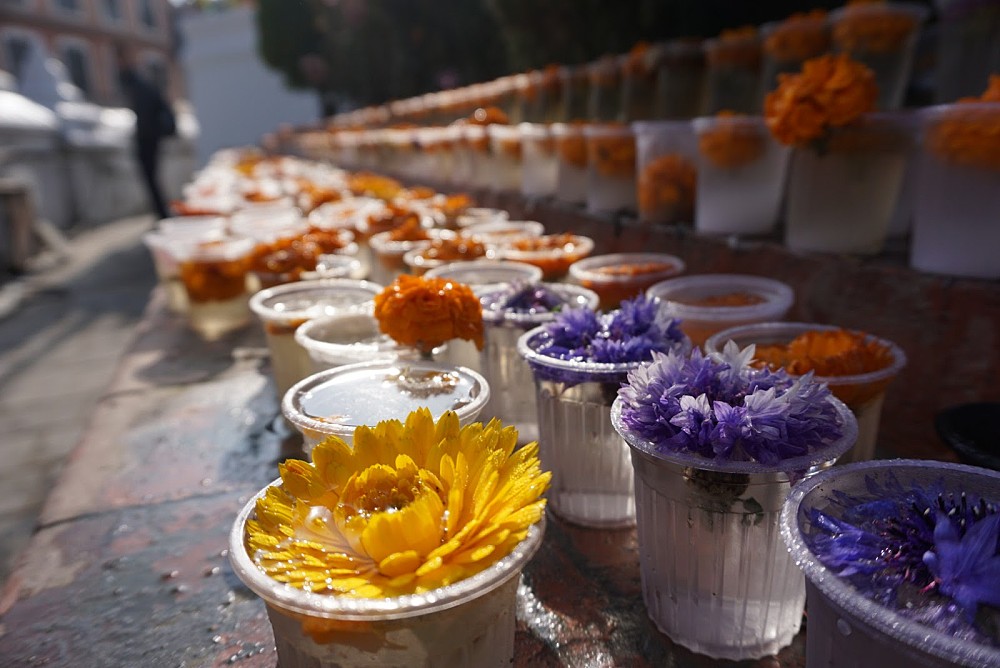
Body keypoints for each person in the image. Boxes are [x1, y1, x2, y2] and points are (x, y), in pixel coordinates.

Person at [116, 44, 174, 221]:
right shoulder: (139, 83)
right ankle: (162, 214)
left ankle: (163, 215)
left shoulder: (138, 84)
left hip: (148, 139)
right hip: (149, 137)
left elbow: (146, 114)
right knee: (152, 179)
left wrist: (144, 136)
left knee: (151, 179)